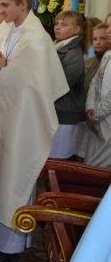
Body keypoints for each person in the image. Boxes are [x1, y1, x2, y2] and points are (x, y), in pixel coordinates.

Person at [0, 0, 68, 257]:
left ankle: (10, 250)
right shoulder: (8, 30)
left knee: (13, 178)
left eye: (7, 6)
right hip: (2, 116)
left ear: (24, 4)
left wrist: (1, 70)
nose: (3, 11)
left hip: (23, 121)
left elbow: (30, 84)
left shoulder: (36, 38)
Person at [51, 10, 88, 160]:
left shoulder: (73, 54)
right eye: (57, 23)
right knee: (52, 158)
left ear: (76, 29)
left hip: (65, 113)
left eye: (64, 24)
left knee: (59, 159)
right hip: (56, 110)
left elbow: (61, 85)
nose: (57, 27)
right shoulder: (58, 47)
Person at [75, 23, 110, 162]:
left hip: (103, 117)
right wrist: (90, 108)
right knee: (90, 163)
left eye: (102, 38)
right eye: (95, 39)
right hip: (94, 118)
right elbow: (94, 84)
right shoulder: (107, 56)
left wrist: (95, 114)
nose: (98, 42)